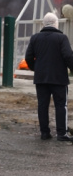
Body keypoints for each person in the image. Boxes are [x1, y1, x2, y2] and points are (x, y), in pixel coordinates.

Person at [25, 12, 73, 141]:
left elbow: (28, 57)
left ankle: (44, 133)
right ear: (56, 24)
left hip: (41, 78)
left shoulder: (35, 38)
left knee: (42, 105)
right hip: (59, 79)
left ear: (43, 24)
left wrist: (36, 68)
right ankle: (62, 134)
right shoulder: (62, 38)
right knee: (61, 105)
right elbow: (69, 56)